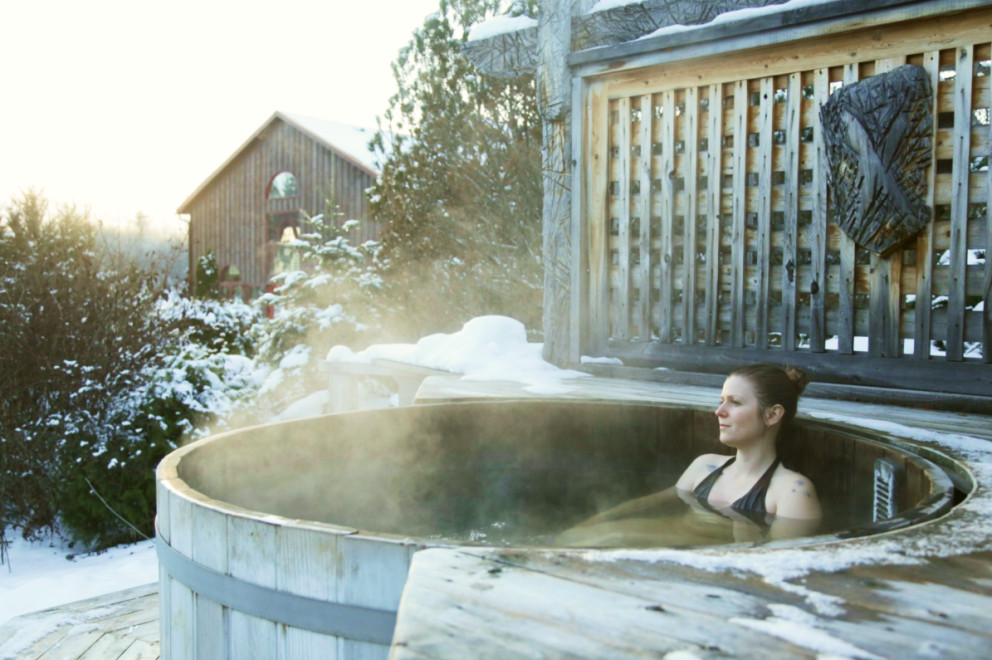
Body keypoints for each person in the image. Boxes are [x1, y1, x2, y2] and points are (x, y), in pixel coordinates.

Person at [556, 364, 822, 547]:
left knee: (603, 540)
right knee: (572, 538)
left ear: (772, 415)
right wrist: (595, 520)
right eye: (721, 400)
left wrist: (746, 537)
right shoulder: (705, 466)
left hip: (690, 559)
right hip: (661, 535)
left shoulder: (792, 492)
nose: (719, 411)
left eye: (735, 402)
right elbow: (649, 504)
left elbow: (777, 567)